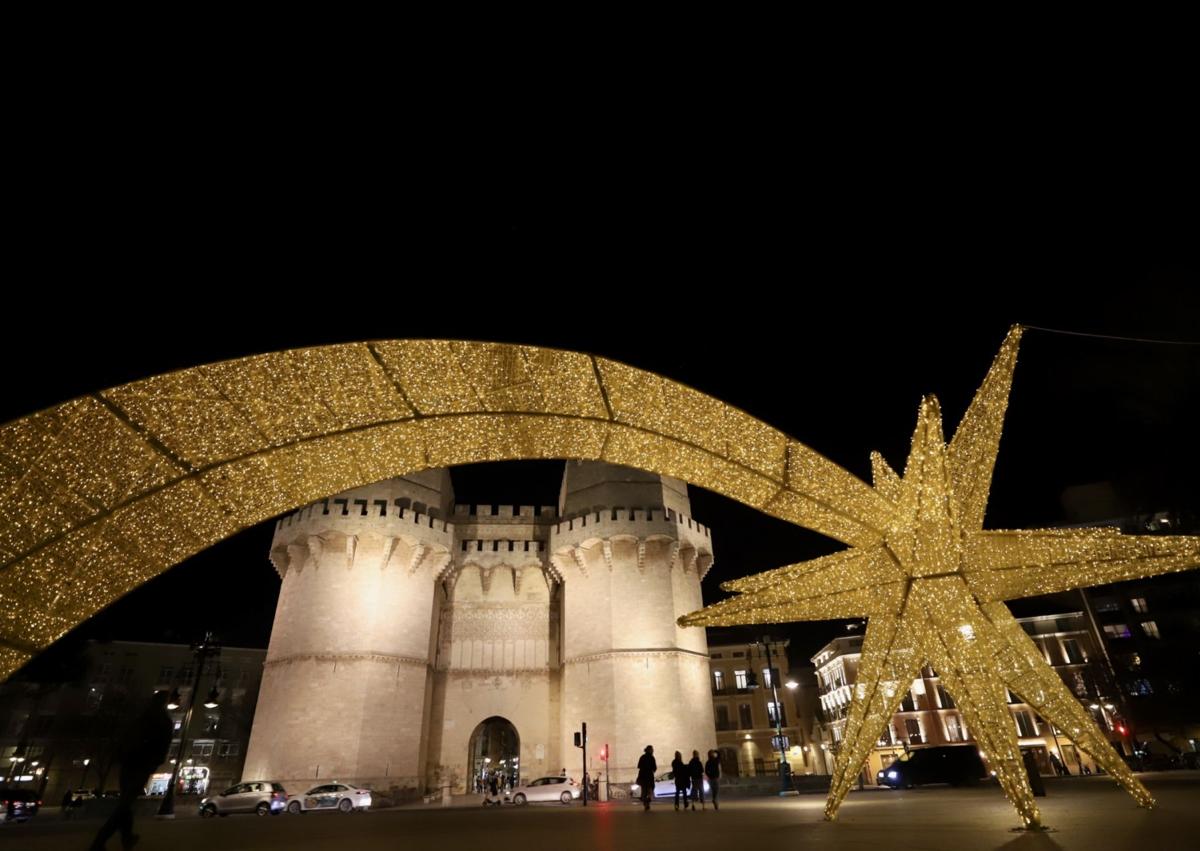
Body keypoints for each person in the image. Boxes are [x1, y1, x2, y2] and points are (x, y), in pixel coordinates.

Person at [89, 690, 173, 851]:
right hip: (142, 765)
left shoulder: (140, 716)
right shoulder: (163, 720)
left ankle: (127, 837)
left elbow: (125, 737)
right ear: (164, 702)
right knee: (125, 805)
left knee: (125, 803)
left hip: (128, 763)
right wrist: (155, 763)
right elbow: (163, 745)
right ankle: (99, 841)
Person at [636, 745, 657, 811]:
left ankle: (645, 802)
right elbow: (654, 768)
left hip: (643, 776)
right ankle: (647, 801)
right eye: (652, 749)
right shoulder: (652, 757)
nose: (653, 750)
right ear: (649, 750)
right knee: (650, 789)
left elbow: (639, 766)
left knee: (644, 790)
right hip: (649, 776)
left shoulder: (642, 757)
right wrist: (651, 770)